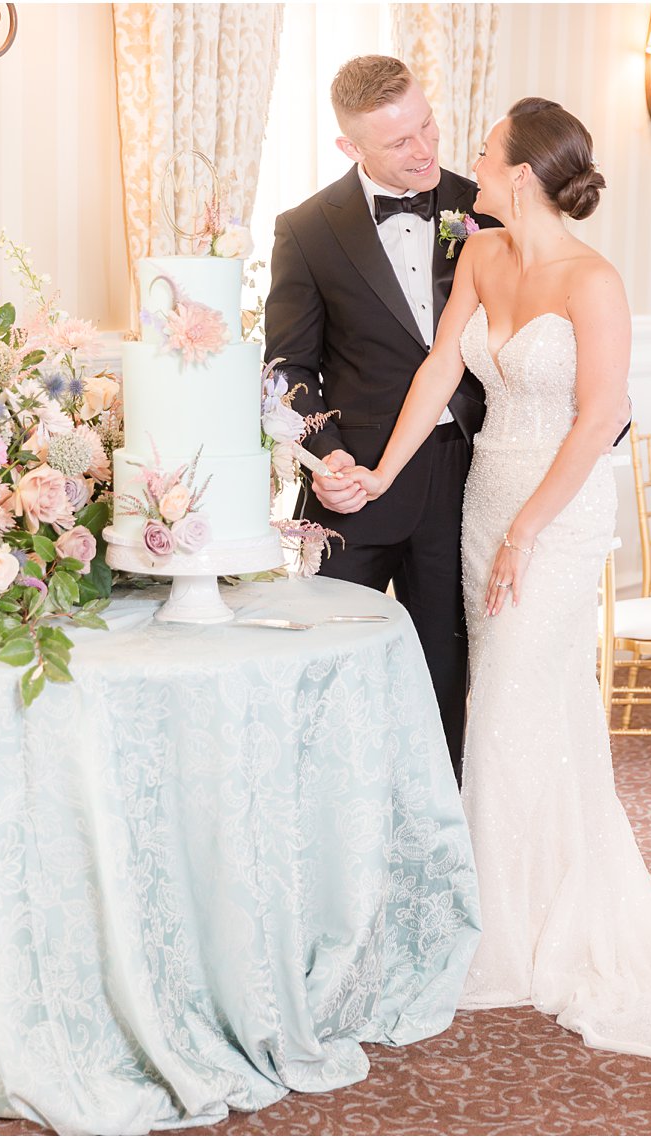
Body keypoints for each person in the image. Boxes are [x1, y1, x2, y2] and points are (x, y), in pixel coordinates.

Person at [344, 97, 651, 1069]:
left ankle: (495, 931)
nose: (468, 162)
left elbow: (597, 418)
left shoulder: (592, 281)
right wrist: (381, 475)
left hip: (555, 520)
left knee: (511, 700)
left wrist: (527, 529)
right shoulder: (479, 254)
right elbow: (439, 371)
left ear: (519, 170)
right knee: (520, 708)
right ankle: (529, 891)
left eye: (482, 150)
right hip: (487, 501)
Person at [265, 56, 495, 784]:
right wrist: (324, 458)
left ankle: (440, 853)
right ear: (350, 148)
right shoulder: (305, 229)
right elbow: (288, 371)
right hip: (353, 492)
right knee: (327, 678)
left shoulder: (482, 205)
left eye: (427, 125)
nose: (426, 150)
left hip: (467, 479)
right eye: (400, 143)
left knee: (446, 679)